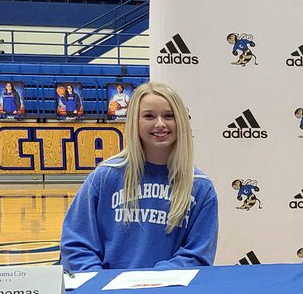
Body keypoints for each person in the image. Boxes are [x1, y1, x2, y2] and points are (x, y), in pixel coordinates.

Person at [61, 81, 218, 271]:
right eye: (149, 116)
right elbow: (76, 243)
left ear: (181, 122)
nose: (160, 124)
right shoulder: (105, 177)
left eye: (169, 116)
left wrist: (149, 283)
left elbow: (197, 254)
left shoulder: (200, 187)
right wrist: (100, 281)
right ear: (135, 121)